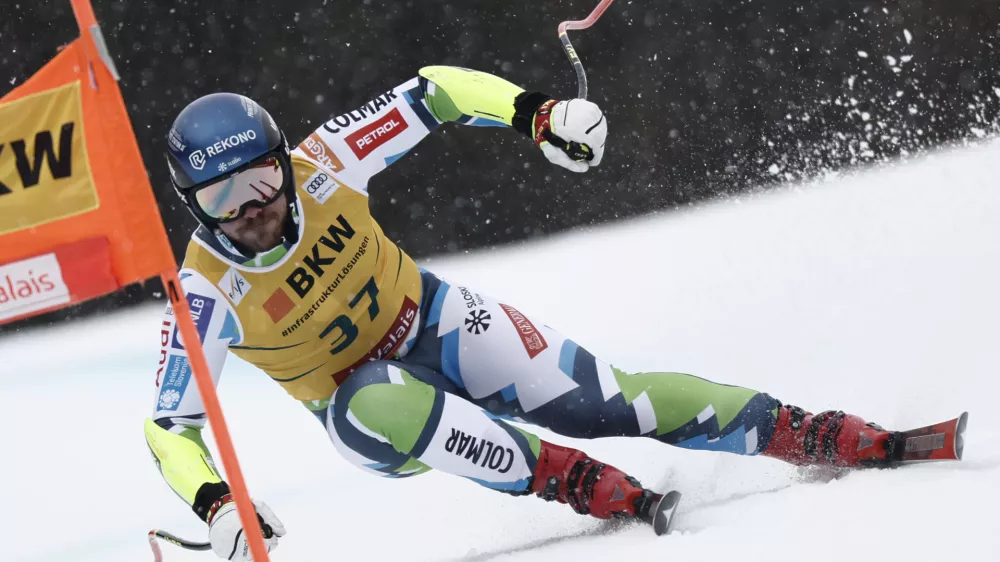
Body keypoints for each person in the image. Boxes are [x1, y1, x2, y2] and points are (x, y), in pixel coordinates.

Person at [149, 66, 899, 560]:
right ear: (192, 206)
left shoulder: (327, 163)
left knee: (603, 400)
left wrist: (535, 115)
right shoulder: (206, 294)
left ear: (284, 161)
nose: (251, 209)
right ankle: (570, 479)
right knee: (374, 394)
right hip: (373, 421)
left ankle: (810, 431)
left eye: (262, 180)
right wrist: (218, 505)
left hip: (438, 323)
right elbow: (168, 427)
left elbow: (436, 91)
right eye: (221, 199)